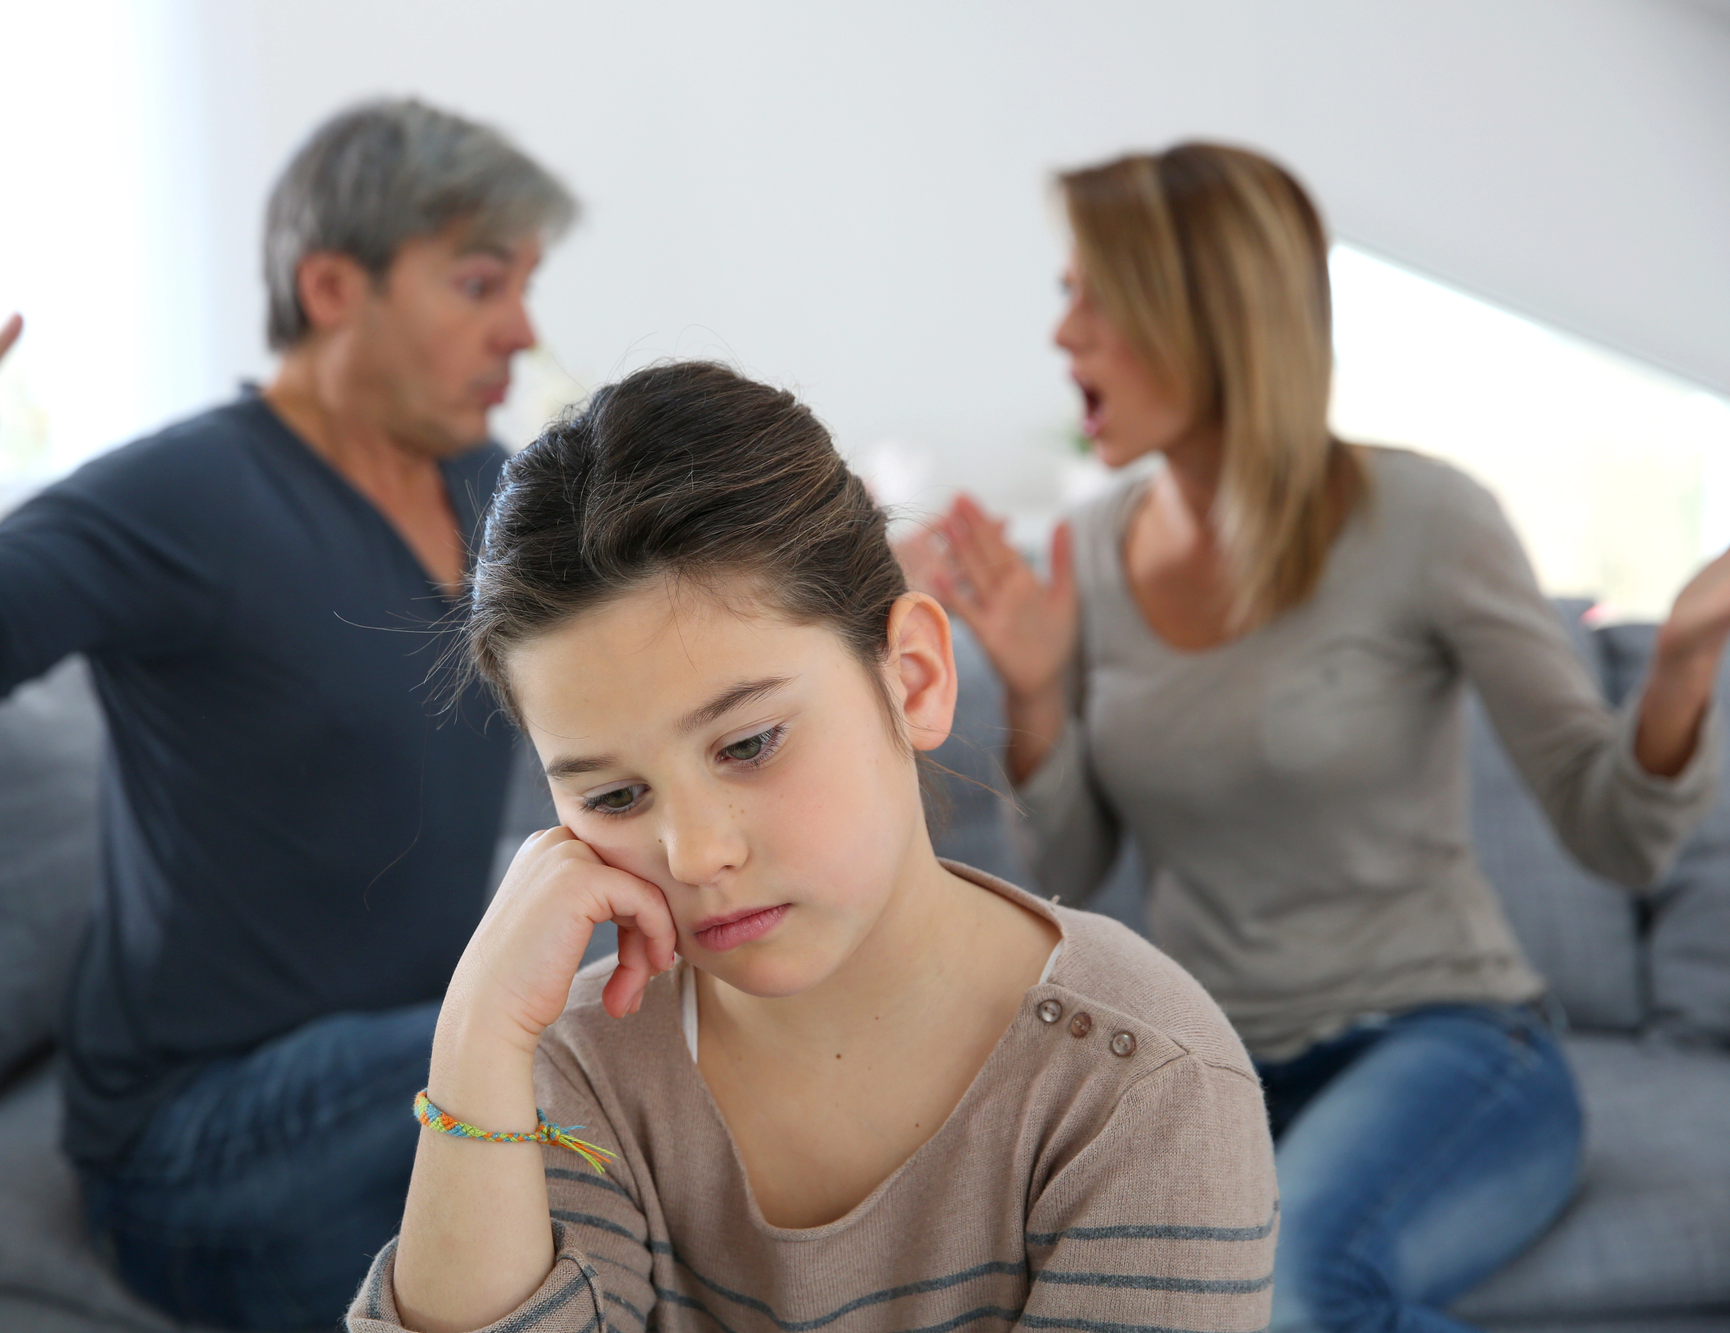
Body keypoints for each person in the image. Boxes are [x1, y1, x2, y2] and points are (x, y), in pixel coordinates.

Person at [909, 143, 1729, 1333]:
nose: (1061, 335)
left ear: (1206, 316)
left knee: (1291, 1301)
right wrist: (1034, 696)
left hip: (1450, 1047)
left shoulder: (1425, 519)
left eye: (1095, 296)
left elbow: (1612, 833)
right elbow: (1078, 882)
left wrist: (1680, 665)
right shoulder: (1090, 548)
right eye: (1063, 293)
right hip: (1217, 1072)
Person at [0, 99, 577, 1330]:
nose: (521, 328)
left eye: (525, 284)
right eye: (480, 283)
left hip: (403, 1063)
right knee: (575, 1059)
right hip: (199, 1135)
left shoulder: (487, 487)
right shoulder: (187, 495)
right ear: (331, 287)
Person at [346, 361, 1278, 1333]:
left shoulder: (1140, 1083)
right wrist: (473, 1034)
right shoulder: (573, 1069)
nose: (697, 852)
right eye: (614, 795)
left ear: (912, 679)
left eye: (748, 743)